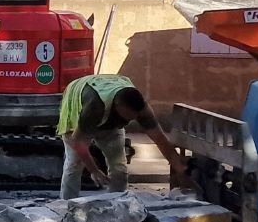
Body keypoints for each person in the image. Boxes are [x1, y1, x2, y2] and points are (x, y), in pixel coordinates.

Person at [56, 73, 190, 200]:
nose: (130, 121)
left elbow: (160, 139)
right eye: (128, 117)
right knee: (75, 164)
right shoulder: (95, 106)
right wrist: (94, 170)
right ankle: (66, 205)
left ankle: (118, 205)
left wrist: (178, 166)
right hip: (78, 111)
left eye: (134, 118)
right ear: (118, 105)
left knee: (118, 167)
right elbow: (77, 142)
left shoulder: (142, 110)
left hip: (110, 125)